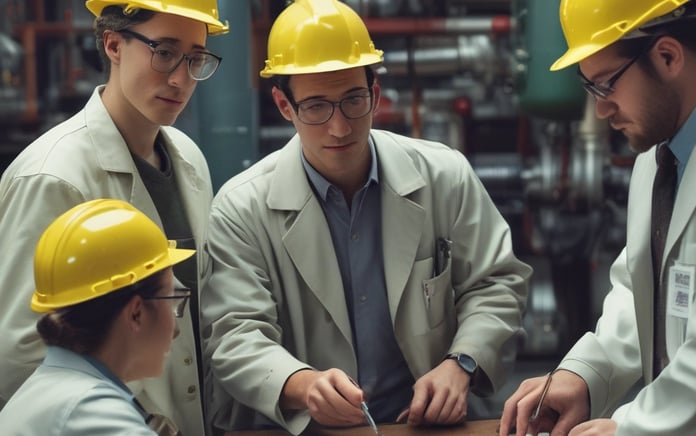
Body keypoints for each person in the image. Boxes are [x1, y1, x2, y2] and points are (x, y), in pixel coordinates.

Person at [199, 0, 532, 434]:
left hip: (424, 425)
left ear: (374, 94)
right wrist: (303, 385)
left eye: (353, 100)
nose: (339, 127)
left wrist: (461, 362)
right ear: (284, 105)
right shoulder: (241, 208)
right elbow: (235, 333)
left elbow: (496, 282)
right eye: (316, 107)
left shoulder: (444, 176)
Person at [499, 0, 696, 435]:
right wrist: (586, 374)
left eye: (605, 86)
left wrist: (631, 428)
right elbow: (642, 282)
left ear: (667, 56)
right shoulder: (659, 152)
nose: (602, 111)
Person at [0, 1, 228, 435]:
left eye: (195, 59)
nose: (180, 78)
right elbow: (21, 356)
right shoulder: (52, 176)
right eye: (163, 52)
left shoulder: (189, 160)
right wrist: (131, 422)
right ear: (113, 44)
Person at [0, 200, 196, 435]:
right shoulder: (93, 415)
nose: (175, 328)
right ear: (136, 313)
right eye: (172, 298)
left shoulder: (55, 387)